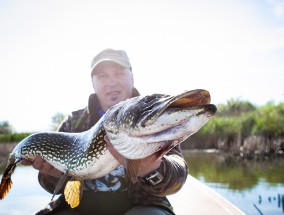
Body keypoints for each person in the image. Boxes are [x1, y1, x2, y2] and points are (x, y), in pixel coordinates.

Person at [22, 49, 188, 215]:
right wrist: (54, 175)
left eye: (119, 73)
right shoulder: (73, 122)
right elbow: (50, 187)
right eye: (102, 76)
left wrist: (152, 168)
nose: (112, 82)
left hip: (142, 206)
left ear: (132, 77)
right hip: (79, 209)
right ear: (93, 83)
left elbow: (177, 178)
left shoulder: (152, 116)